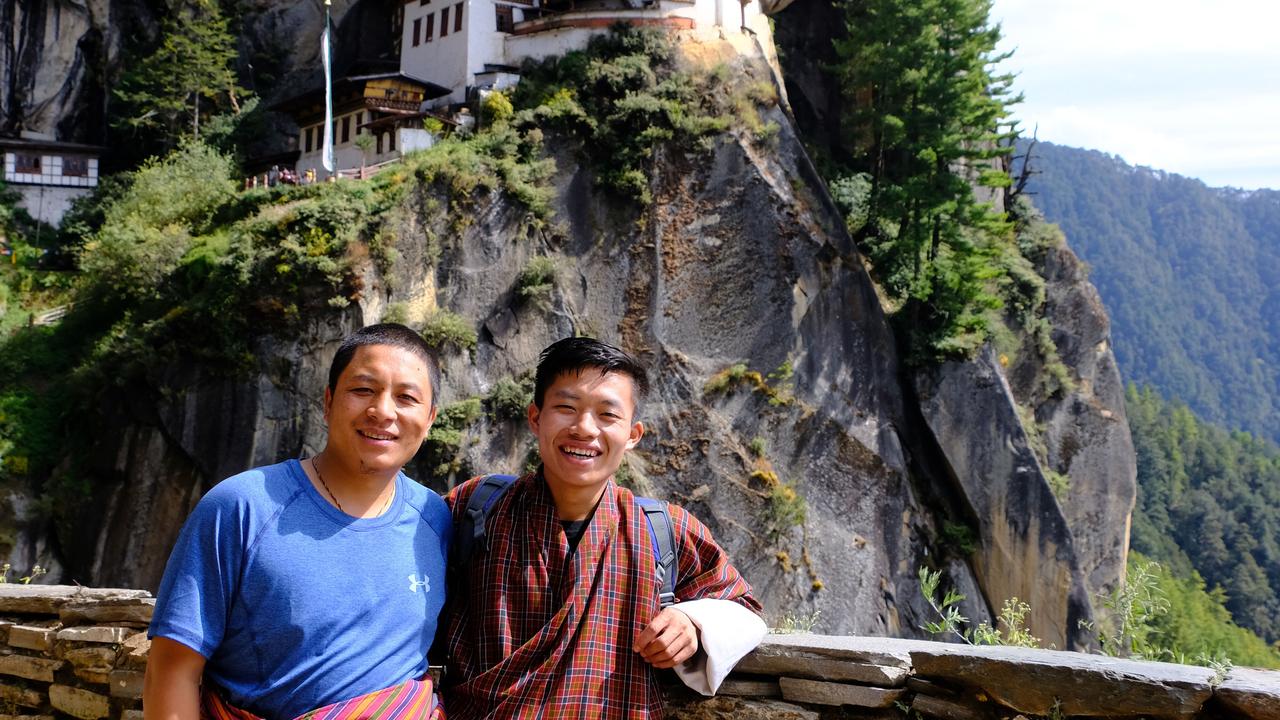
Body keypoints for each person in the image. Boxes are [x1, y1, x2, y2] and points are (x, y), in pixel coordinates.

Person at [440, 337, 766, 718]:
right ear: (535, 417)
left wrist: (693, 622)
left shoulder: (664, 529)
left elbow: (744, 607)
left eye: (607, 415)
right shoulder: (477, 506)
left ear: (632, 435)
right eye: (566, 408)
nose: (584, 428)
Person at [144, 324, 451, 720]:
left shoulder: (435, 518)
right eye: (362, 390)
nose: (383, 411)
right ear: (327, 402)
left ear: (429, 419)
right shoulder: (242, 507)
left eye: (406, 397)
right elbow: (171, 670)